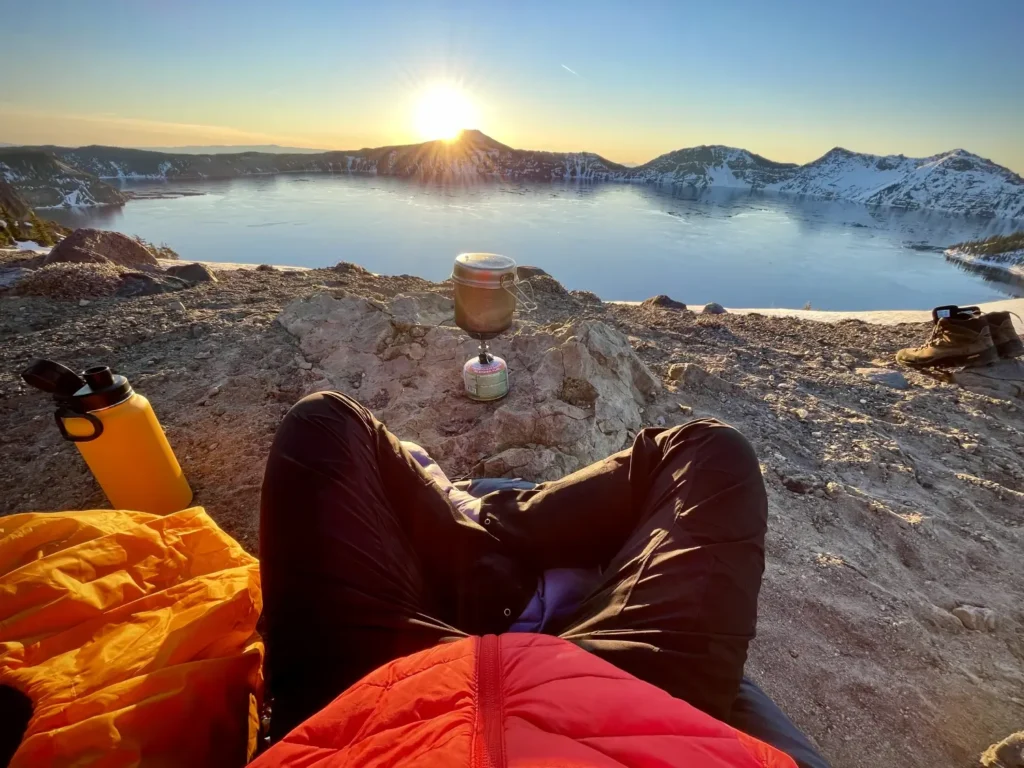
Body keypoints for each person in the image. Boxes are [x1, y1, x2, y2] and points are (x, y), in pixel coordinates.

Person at [252, 391, 809, 768]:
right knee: (710, 450)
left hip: (369, 710)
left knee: (324, 421)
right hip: (640, 708)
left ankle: (486, 541)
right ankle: (492, 538)